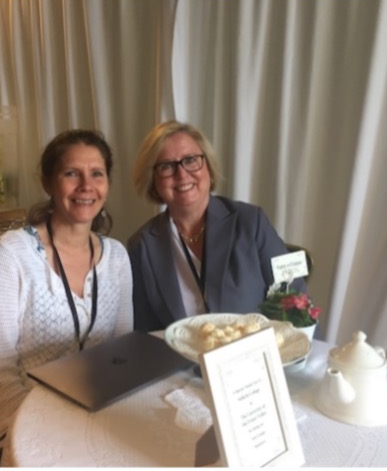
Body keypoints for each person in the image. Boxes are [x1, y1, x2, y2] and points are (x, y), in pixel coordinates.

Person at [0, 129, 133, 466]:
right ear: (48, 183)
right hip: (4, 417)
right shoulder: (13, 254)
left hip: (85, 411)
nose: (85, 186)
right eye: (71, 173)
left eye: (97, 174)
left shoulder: (118, 257)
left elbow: (118, 353)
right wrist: (55, 426)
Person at [128, 120, 306, 332]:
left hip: (253, 356)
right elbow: (145, 331)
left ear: (209, 168)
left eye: (191, 160)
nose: (182, 174)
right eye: (167, 166)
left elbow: (295, 299)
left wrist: (296, 360)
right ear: (153, 181)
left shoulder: (251, 221)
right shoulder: (141, 246)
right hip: (181, 362)